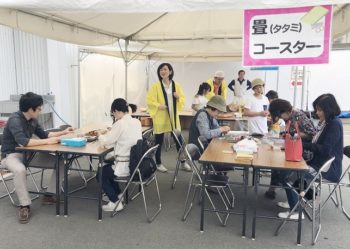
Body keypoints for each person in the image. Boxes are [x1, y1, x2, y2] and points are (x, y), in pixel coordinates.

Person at [0, 92, 73, 224]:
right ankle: (24, 206)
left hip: (29, 154)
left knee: (61, 162)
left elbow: (44, 134)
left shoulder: (32, 120)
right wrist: (49, 142)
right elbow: (24, 142)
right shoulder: (14, 120)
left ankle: (49, 195)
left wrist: (63, 132)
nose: (41, 110)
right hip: (11, 155)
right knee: (20, 170)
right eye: (39, 108)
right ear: (30, 109)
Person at [277, 94, 343, 220]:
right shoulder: (326, 122)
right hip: (317, 163)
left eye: (320, 110)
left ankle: (296, 210)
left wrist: (301, 145)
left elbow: (325, 150)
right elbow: (315, 143)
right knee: (286, 169)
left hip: (327, 169)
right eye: (317, 109)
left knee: (288, 175)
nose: (317, 113)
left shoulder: (334, 124)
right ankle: (295, 200)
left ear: (329, 109)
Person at [264, 98, 316, 200]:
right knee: (274, 161)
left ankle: (294, 198)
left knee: (281, 168)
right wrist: (285, 134)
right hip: (292, 148)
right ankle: (273, 189)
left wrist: (294, 134)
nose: (280, 118)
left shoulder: (298, 116)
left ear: (285, 111)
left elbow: (312, 134)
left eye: (279, 115)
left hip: (302, 151)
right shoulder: (288, 116)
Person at [97, 98, 142, 212]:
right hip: (135, 163)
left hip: (124, 164)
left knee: (100, 173)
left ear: (116, 111)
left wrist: (99, 135)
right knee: (107, 166)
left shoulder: (120, 123)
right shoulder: (136, 122)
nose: (114, 116)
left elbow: (107, 142)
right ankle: (118, 194)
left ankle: (115, 202)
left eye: (113, 113)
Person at [146, 63, 190, 173]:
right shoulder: (156, 86)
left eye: (165, 69)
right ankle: (158, 162)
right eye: (161, 70)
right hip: (161, 117)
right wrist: (158, 105)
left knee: (178, 140)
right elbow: (149, 100)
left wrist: (178, 97)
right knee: (158, 142)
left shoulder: (176, 85)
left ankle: (183, 162)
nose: (163, 71)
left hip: (173, 118)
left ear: (170, 71)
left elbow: (183, 99)